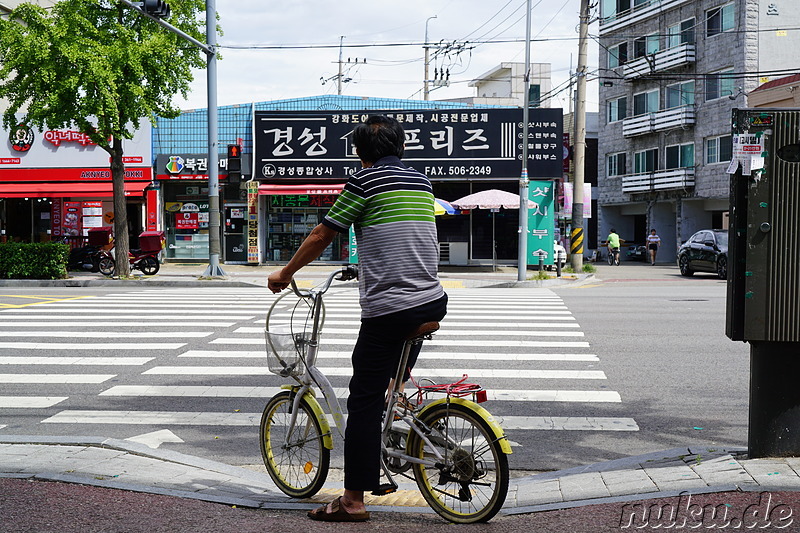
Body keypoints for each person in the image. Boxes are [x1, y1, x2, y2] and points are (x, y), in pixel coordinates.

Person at [267, 115, 447, 523]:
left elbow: (322, 234)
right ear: (401, 148)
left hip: (391, 309)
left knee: (362, 401)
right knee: (390, 370)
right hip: (433, 301)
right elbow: (402, 237)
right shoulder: (422, 182)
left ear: (360, 153)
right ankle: (397, 395)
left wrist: (286, 272)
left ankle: (352, 500)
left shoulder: (363, 183)